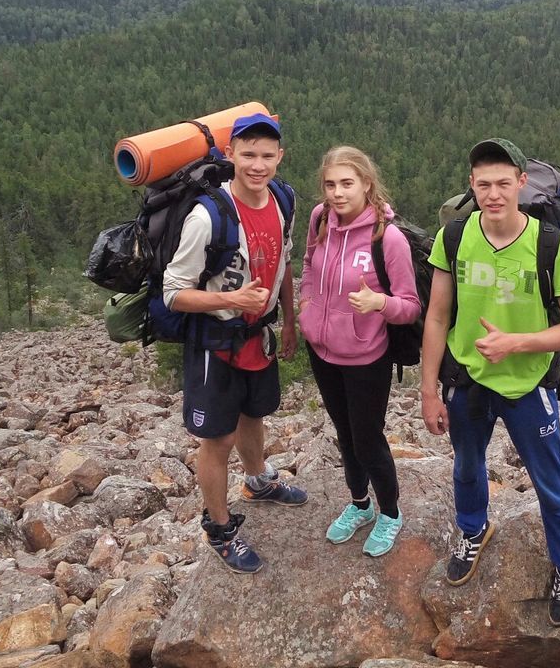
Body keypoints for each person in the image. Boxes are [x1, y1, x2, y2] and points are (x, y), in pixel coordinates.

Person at [420, 138, 560, 626]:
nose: (493, 194)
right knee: (468, 467)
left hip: (528, 382)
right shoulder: (453, 238)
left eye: (502, 183)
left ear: (521, 182)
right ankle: (473, 529)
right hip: (468, 379)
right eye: (483, 184)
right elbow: (437, 317)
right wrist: (429, 390)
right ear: (471, 186)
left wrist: (515, 343)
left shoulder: (553, 246)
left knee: (550, 483)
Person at [163, 112, 306, 574]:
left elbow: (281, 262)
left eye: (267, 155)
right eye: (248, 155)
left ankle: (258, 481)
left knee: (254, 412)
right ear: (230, 155)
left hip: (258, 334)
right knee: (217, 437)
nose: (258, 165)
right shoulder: (209, 216)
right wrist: (233, 298)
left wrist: (288, 319)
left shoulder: (283, 201)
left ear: (280, 157)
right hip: (214, 340)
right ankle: (219, 528)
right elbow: (173, 293)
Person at [299, 147, 422, 557]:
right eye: (330, 184)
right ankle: (359, 505)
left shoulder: (388, 237)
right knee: (344, 434)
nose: (337, 193)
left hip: (367, 356)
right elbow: (308, 268)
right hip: (323, 351)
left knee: (367, 439)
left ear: (367, 185)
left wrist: (379, 304)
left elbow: (410, 306)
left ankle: (390, 512)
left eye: (347, 184)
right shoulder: (319, 220)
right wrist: (305, 308)